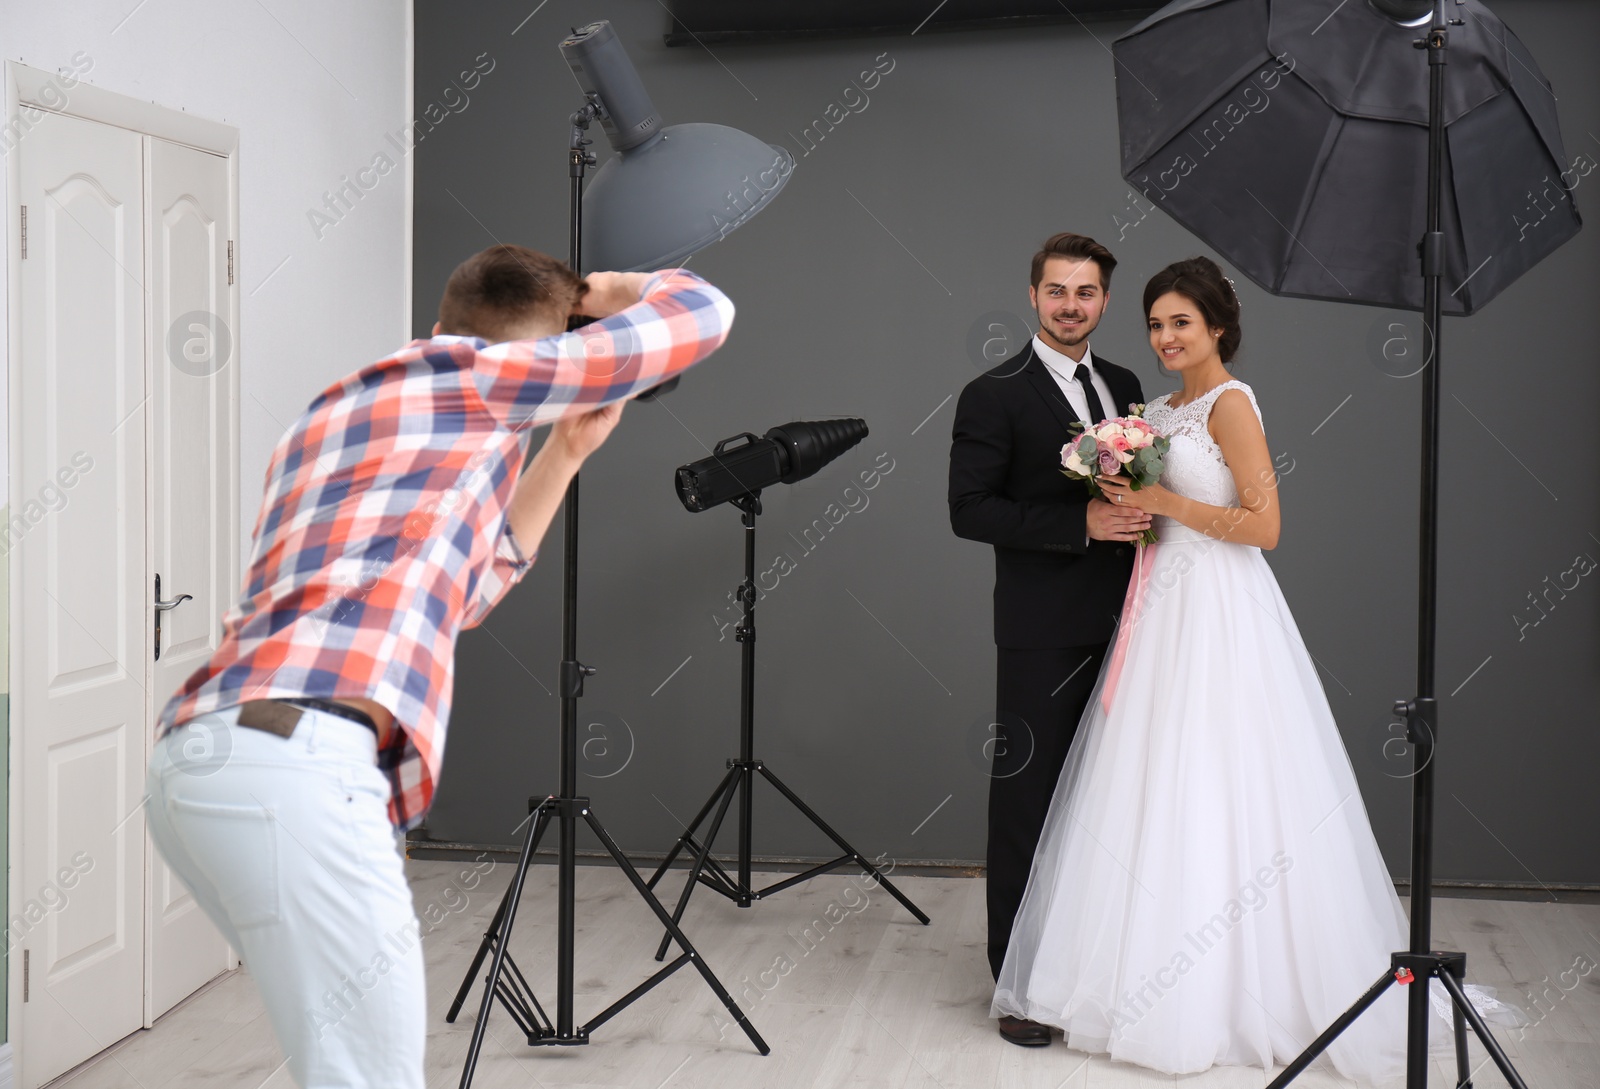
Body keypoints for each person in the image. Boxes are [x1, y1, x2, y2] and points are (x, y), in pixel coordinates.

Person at [145, 245, 735, 1088]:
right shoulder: (491, 379)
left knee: (336, 1060)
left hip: (198, 763)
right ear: (542, 353)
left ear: (437, 323)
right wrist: (617, 290)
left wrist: (563, 455)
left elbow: (464, 592)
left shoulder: (332, 414)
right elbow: (705, 312)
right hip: (302, 761)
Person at [990, 255, 1517, 1077]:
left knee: (1222, 778)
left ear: (1219, 327)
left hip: (1221, 613)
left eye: (1182, 323)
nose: (1165, 337)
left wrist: (1162, 502)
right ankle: (1138, 971)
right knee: (1151, 782)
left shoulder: (1231, 405)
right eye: (1157, 323)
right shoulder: (1158, 408)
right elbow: (1148, 513)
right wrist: (1123, 502)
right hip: (1159, 606)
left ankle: (1236, 988)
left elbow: (1264, 525)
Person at [948, 232, 1150, 1047]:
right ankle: (1019, 984)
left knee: (1107, 804)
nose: (1073, 305)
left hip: (1131, 623)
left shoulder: (1126, 384)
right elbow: (969, 510)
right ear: (1033, 296)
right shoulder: (993, 393)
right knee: (1028, 802)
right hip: (1041, 633)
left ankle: (1090, 966)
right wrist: (1083, 523)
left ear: (1104, 301)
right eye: (1058, 291)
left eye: (1088, 292)